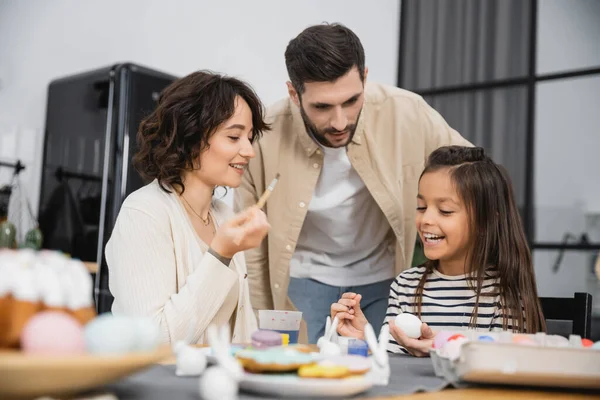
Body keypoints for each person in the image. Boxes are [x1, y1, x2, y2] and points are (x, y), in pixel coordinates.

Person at [234, 23, 471, 344]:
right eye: (321, 107)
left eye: (351, 101)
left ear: (365, 77)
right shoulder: (266, 133)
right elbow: (250, 250)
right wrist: (258, 322)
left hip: (386, 278)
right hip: (302, 281)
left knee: (384, 382)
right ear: (294, 94)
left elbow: (476, 177)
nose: (339, 121)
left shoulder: (406, 112)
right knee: (306, 382)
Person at [105, 71, 271, 345]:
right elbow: (156, 342)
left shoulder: (223, 217)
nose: (249, 150)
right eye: (233, 137)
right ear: (191, 137)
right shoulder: (144, 212)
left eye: (249, 137)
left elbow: (239, 330)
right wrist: (220, 255)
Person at [330, 146, 547, 356]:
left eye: (445, 211)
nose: (426, 220)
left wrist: (442, 346)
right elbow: (394, 366)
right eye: (421, 207)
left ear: (486, 221)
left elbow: (506, 363)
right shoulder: (406, 286)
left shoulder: (505, 291)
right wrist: (366, 341)